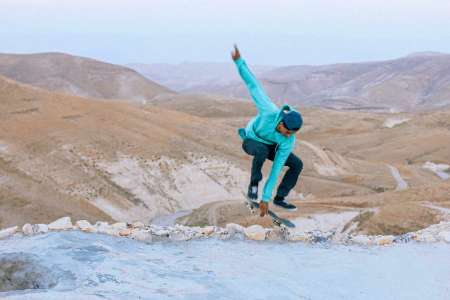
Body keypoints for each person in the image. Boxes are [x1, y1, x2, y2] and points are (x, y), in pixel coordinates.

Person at [231, 44, 303, 217]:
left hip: (271, 146)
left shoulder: (288, 140)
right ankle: (253, 185)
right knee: (261, 150)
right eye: (287, 131)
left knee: (297, 164)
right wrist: (239, 61)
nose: (288, 135)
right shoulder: (268, 110)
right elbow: (253, 85)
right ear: (281, 122)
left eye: (292, 134)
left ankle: (280, 197)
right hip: (251, 140)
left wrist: (266, 198)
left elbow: (276, 169)